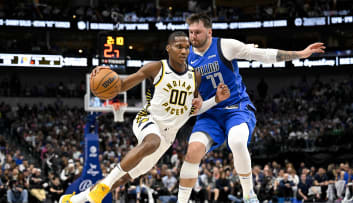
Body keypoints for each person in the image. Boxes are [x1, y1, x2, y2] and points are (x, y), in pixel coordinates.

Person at [59, 31, 230, 203]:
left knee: (127, 177)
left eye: (187, 47)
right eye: (179, 47)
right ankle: (104, 186)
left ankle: (74, 200)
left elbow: (190, 110)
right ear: (168, 48)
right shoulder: (156, 68)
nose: (184, 51)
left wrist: (215, 99)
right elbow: (122, 84)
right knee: (151, 141)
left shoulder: (195, 76)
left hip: (168, 136)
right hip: (148, 119)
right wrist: (102, 72)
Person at [177, 13, 326, 203]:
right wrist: (213, 100)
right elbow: (194, 110)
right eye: (190, 32)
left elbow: (262, 55)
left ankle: (249, 194)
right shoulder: (185, 59)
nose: (193, 36)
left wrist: (299, 54)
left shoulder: (225, 46)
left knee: (237, 142)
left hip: (236, 108)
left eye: (197, 32)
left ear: (209, 32)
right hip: (209, 113)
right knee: (192, 151)